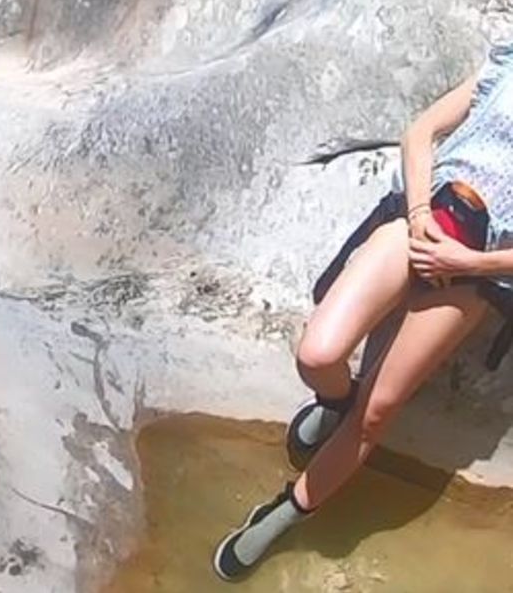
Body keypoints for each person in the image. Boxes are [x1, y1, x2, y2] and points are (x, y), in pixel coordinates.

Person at [213, 40, 513, 580]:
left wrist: (468, 261)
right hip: (426, 216)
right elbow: (420, 132)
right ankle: (335, 400)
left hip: (479, 268)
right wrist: (419, 216)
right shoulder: (508, 63)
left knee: (377, 412)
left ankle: (284, 513)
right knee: (317, 353)